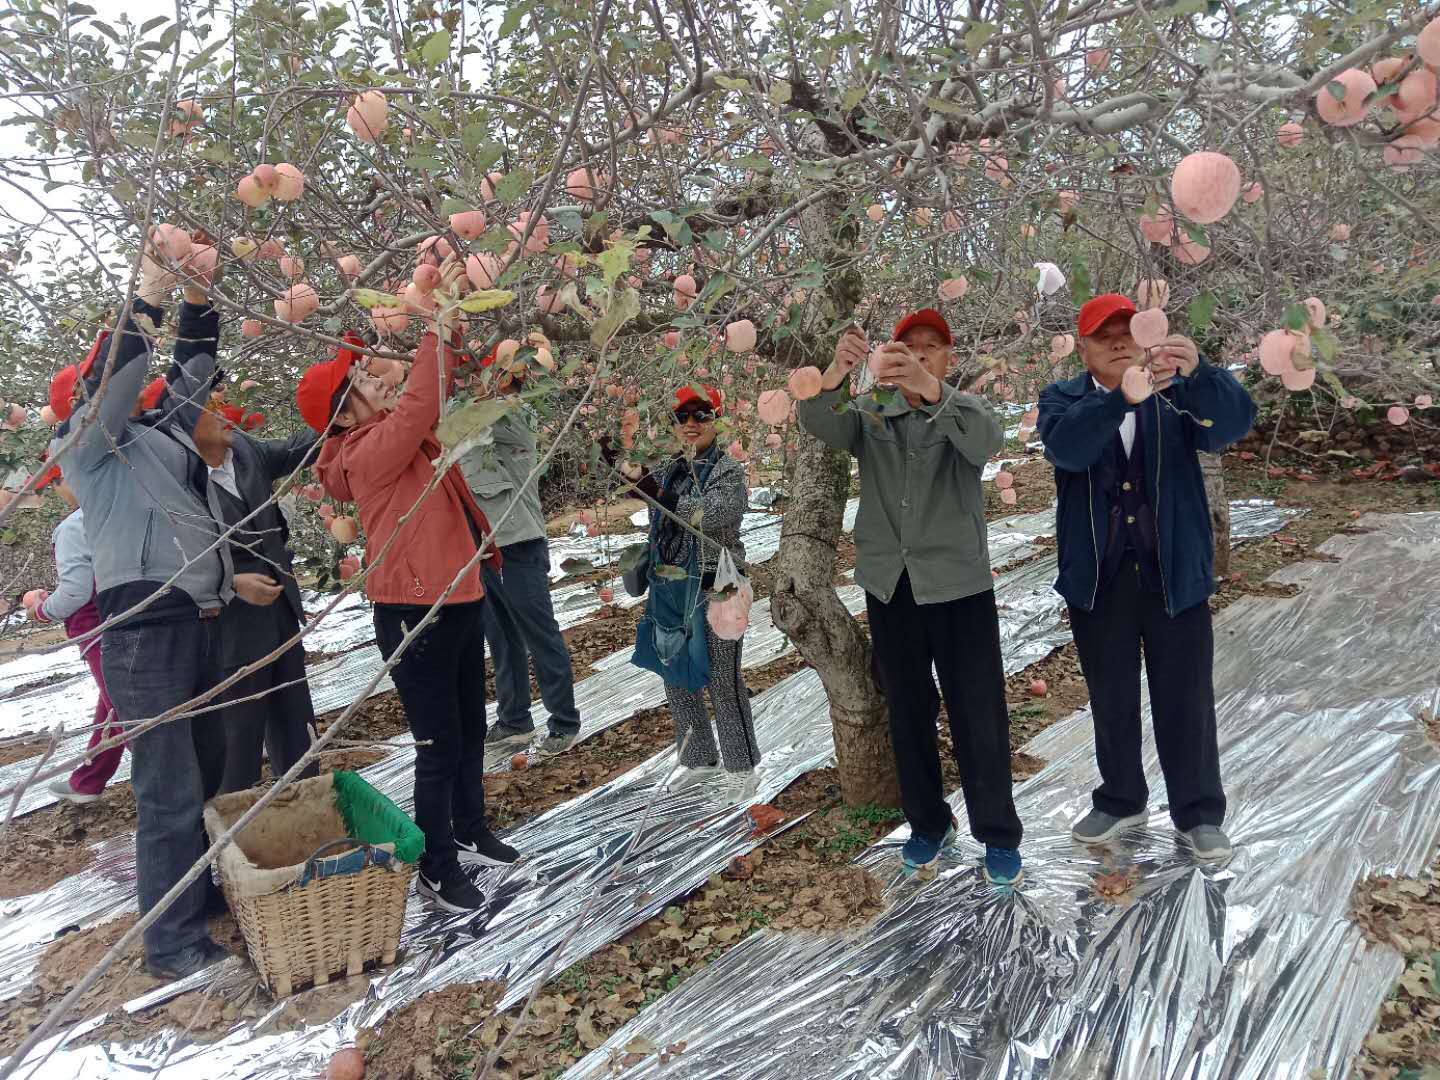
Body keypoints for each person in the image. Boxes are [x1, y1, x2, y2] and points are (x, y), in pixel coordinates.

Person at [298, 274, 517, 915]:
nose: (372, 377)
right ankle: (436, 865)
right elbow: (423, 402)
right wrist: (435, 324)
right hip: (413, 611)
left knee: (471, 726)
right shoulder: (368, 453)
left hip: (457, 595)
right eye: (360, 381)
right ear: (343, 412)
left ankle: (470, 828)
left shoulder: (390, 431)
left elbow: (426, 399)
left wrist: (451, 331)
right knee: (437, 743)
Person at [796, 309, 1024, 885]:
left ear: (948, 359)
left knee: (978, 712)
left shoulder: (963, 411)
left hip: (957, 586)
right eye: (909, 348)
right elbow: (820, 420)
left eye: (932, 349)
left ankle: (997, 834)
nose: (920, 356)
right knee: (908, 710)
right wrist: (838, 371)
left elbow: (986, 441)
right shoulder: (872, 413)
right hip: (890, 586)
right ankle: (928, 823)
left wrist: (932, 393)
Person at [62, 249, 237, 979]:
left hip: (195, 622)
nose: (139, 395)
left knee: (205, 770)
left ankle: (197, 900)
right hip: (143, 627)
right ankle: (170, 944)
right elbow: (116, 384)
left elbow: (192, 374)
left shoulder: (159, 436)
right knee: (168, 788)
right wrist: (145, 305)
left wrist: (198, 301)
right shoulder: (88, 451)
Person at [1037, 293, 1256, 861]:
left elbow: (1231, 425)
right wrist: (1117, 400)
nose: (1116, 343)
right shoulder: (1061, 398)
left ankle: (1199, 810)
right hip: (1099, 578)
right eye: (1101, 335)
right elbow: (1067, 450)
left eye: (1125, 331)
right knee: (1110, 697)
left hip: (1173, 572)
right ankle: (1121, 798)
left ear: (1146, 337)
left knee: (1186, 696)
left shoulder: (1180, 395)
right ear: (1082, 347)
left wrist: (1203, 373)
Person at [612, 384, 761, 804]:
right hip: (671, 582)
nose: (692, 424)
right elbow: (636, 489)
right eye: (683, 417)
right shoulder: (667, 466)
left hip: (718, 583)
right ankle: (698, 759)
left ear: (717, 420)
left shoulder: (727, 470)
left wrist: (661, 495)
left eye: (702, 415)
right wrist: (620, 460)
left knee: (722, 677)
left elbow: (716, 514)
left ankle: (741, 766)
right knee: (675, 671)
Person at [189, 396, 322, 795]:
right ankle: (237, 834)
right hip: (229, 629)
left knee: (296, 724)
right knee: (238, 737)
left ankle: (304, 811)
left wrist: (342, 399)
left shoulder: (247, 452)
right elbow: (173, 558)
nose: (224, 414)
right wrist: (230, 583)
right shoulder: (178, 481)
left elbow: (302, 447)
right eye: (209, 411)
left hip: (279, 613)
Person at [460, 354, 582, 758]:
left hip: (517, 543)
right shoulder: (467, 419)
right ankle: (515, 720)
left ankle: (564, 722)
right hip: (481, 548)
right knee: (501, 637)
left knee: (538, 632)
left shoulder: (516, 415)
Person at [24, 465, 123, 805]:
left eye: (56, 483)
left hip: (99, 630)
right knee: (112, 708)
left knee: (125, 708)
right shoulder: (123, 511)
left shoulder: (73, 526)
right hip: (128, 619)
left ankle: (172, 789)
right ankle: (88, 781)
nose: (57, 491)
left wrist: (39, 608)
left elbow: (76, 592)